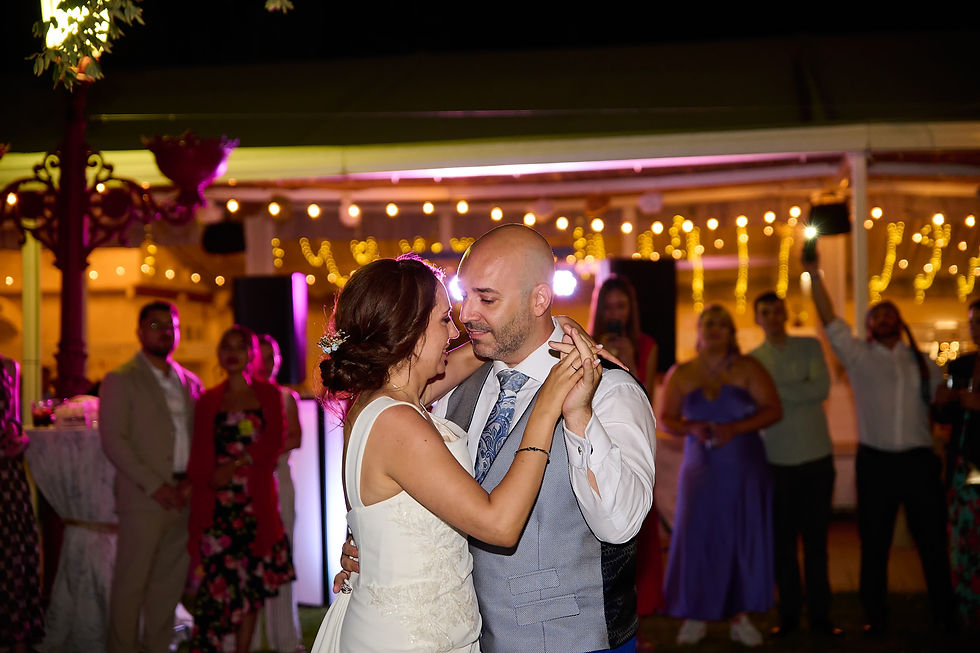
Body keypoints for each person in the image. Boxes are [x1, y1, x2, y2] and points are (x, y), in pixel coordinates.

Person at [338, 226, 657, 653]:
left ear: (539, 300)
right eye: (460, 300)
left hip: (573, 640)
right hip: (458, 634)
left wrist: (578, 412)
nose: (464, 318)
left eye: (486, 299)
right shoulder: (439, 391)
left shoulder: (609, 390)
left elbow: (621, 526)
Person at [311, 253, 591, 652]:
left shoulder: (382, 399)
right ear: (410, 333)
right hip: (409, 639)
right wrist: (545, 408)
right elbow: (499, 525)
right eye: (444, 319)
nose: (454, 329)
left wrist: (551, 327)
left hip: (418, 625)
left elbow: (477, 353)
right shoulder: (397, 422)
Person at [803, 249, 957, 635]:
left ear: (899, 321)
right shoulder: (857, 356)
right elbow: (829, 319)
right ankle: (876, 615)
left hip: (920, 463)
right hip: (876, 463)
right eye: (877, 314)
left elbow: (941, 406)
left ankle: (944, 614)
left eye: (889, 312)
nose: (884, 317)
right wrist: (814, 274)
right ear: (870, 325)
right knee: (874, 544)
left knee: (932, 543)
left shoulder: (924, 362)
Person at [659, 304, 781, 647]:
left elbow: (774, 409)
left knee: (739, 537)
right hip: (700, 472)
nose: (713, 329)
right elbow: (666, 418)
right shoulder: (682, 373)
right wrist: (690, 427)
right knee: (696, 537)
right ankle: (695, 614)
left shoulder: (749, 368)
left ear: (731, 332)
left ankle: (739, 616)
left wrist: (736, 427)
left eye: (721, 324)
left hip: (743, 469)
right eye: (707, 324)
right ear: (698, 331)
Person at [100, 301, 204, 653]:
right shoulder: (120, 379)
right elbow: (114, 441)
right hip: (144, 497)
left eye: (171, 325)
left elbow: (201, 439)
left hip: (184, 496)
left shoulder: (191, 382)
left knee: (168, 586)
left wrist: (190, 482)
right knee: (131, 586)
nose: (164, 332)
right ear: (140, 331)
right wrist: (157, 486)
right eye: (156, 325)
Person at [186, 325, 295, 653]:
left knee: (251, 590)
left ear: (252, 355)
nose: (232, 352)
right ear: (219, 355)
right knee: (217, 590)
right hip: (219, 508)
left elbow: (274, 442)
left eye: (240, 346)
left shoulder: (269, 395)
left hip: (255, 504)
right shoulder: (207, 400)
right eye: (226, 346)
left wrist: (234, 465)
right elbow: (200, 455)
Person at [748, 291, 841, 638]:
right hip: (777, 461)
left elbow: (821, 388)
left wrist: (774, 392)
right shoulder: (753, 359)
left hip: (817, 458)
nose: (772, 316)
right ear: (758, 318)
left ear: (785, 312)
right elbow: (761, 401)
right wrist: (794, 388)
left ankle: (821, 617)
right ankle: (788, 617)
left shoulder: (811, 347)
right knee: (783, 546)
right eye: (765, 311)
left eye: (776, 310)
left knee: (817, 544)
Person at [589, 275, 665, 645]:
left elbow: (645, 399)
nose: (615, 313)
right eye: (609, 306)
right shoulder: (588, 345)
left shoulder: (647, 345)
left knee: (636, 535)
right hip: (597, 440)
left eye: (621, 306)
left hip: (631, 441)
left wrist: (630, 362)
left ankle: (640, 620)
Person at [249, 334, 304, 653]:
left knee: (281, 557)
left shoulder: (285, 397)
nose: (268, 363)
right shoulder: (241, 396)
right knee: (249, 561)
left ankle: (285, 638)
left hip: (278, 479)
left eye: (274, 357)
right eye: (262, 356)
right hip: (248, 485)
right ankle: (251, 637)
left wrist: (258, 454)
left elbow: (295, 437)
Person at [930, 297, 980, 628]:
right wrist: (941, 403)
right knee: (964, 535)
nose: (976, 328)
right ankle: (967, 606)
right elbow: (946, 415)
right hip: (964, 462)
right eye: (973, 322)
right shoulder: (962, 364)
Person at [0, 354, 44, 653]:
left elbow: (14, 420)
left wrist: (21, 438)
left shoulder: (8, 367)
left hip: (7, 478)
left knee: (13, 559)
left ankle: (18, 640)